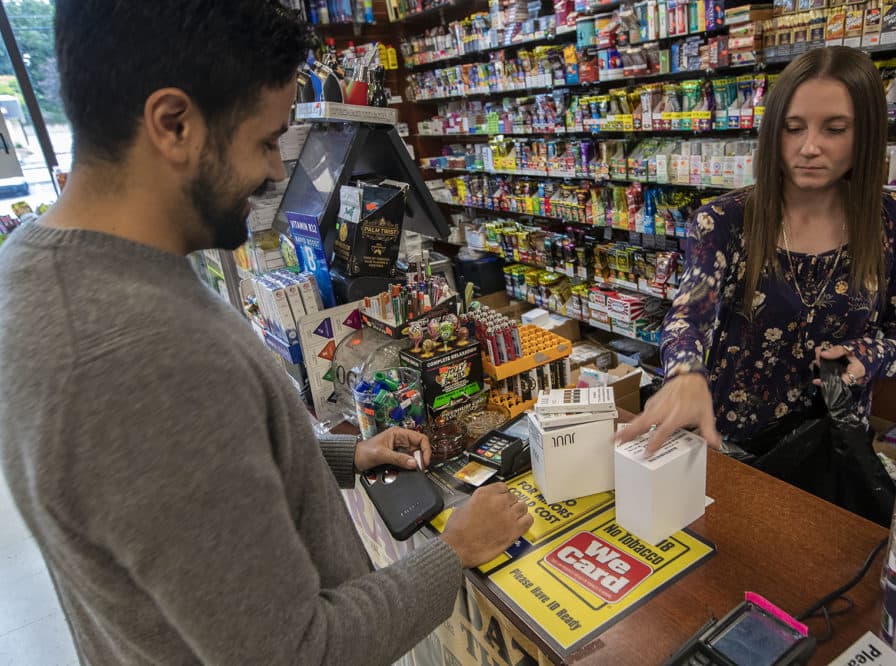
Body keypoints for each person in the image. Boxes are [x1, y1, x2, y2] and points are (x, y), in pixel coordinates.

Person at [0, 3, 531, 665]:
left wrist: (343, 457)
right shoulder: (140, 357)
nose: (278, 174)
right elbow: (298, 653)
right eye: (263, 142)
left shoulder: (40, 266)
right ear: (174, 124)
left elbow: (178, 484)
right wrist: (454, 554)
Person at [618, 46, 896, 456]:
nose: (809, 147)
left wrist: (870, 354)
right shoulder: (725, 220)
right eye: (793, 127)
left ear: (867, 134)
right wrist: (684, 374)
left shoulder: (893, 219)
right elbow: (688, 317)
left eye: (835, 129)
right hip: (730, 442)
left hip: (835, 442)